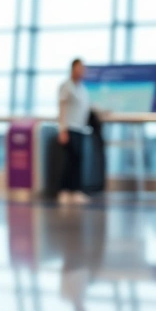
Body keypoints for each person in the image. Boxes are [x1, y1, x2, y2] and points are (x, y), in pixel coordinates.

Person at [58, 58, 90, 205]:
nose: (82, 71)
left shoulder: (83, 89)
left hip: (80, 128)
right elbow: (62, 108)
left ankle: (76, 190)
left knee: (78, 160)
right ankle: (64, 190)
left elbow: (88, 107)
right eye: (79, 68)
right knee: (68, 160)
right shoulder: (66, 86)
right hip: (69, 128)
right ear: (73, 69)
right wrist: (62, 129)